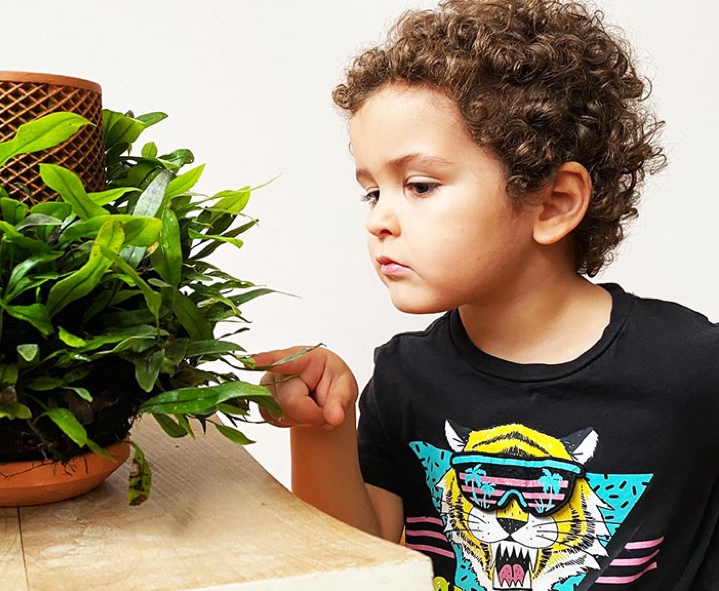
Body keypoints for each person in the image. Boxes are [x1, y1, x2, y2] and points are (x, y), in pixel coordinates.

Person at [254, 1, 718, 589]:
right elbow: (355, 571)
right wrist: (322, 426)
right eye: (373, 192)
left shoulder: (693, 367)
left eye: (420, 185)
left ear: (553, 203)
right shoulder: (404, 378)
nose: (379, 221)